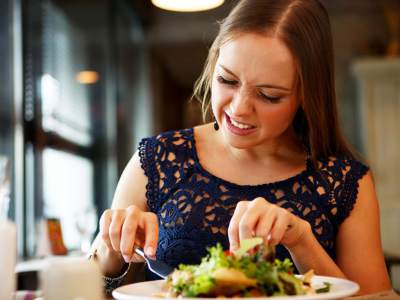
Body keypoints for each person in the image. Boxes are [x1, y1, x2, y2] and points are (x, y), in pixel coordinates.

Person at [90, 0, 392, 295]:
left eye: (269, 95)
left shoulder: (344, 181)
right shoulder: (158, 160)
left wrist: (301, 240)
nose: (240, 109)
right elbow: (86, 287)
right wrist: (111, 250)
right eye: (227, 80)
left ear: (307, 95)